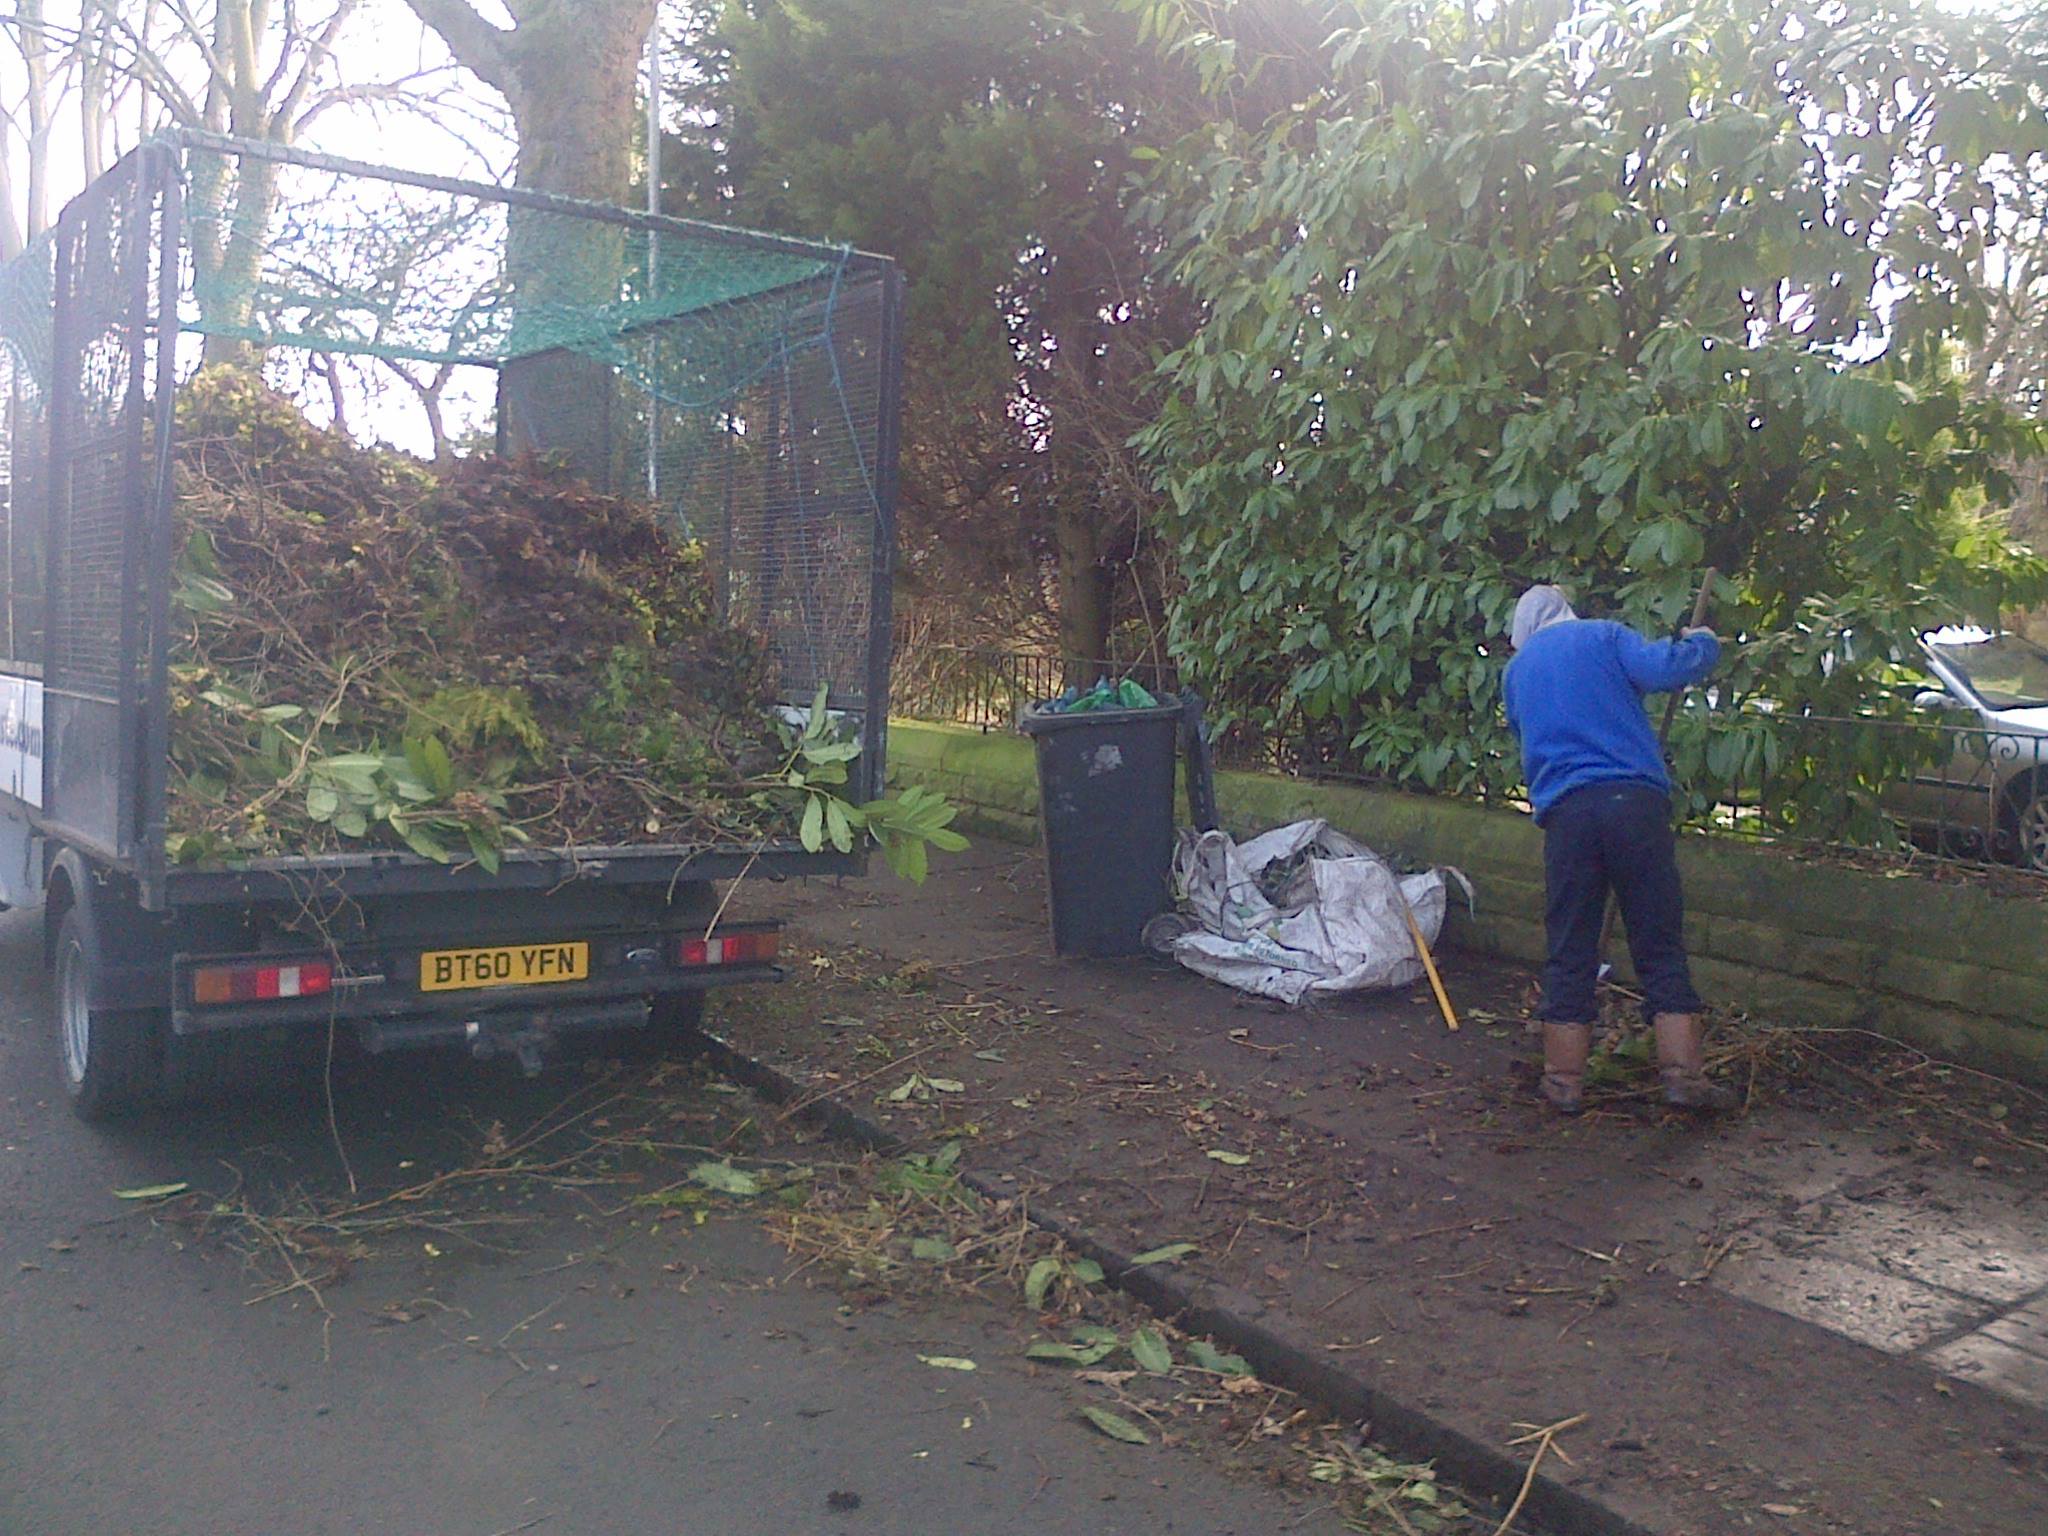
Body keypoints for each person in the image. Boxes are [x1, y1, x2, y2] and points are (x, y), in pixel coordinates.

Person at [1502, 584, 1734, 1114]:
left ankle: (1562, 1082)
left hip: (1567, 816)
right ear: (1565, 610)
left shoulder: (1517, 673)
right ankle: (1683, 1077)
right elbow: (1663, 669)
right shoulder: (1604, 636)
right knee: (1658, 942)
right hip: (1634, 806)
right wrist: (1702, 644)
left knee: (1570, 947)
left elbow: (1525, 731)